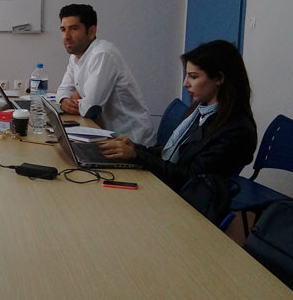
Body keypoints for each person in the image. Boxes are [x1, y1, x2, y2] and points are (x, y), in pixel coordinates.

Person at [98, 39, 258, 191]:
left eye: (193, 77)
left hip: (188, 200)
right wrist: (134, 148)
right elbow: (172, 153)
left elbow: (192, 178)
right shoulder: (200, 112)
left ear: (218, 78)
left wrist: (137, 156)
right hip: (171, 187)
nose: (185, 83)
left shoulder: (235, 130)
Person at [55, 4, 153, 144]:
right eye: (63, 29)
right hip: (104, 135)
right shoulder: (75, 56)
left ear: (91, 31)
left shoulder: (102, 54)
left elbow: (90, 108)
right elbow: (63, 89)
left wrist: (76, 101)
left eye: (74, 28)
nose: (66, 36)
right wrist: (64, 100)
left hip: (130, 141)